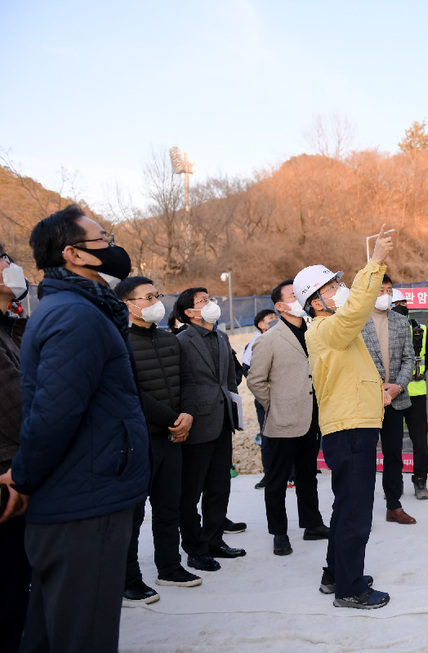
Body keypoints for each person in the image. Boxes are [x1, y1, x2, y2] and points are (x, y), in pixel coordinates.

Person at [2, 205, 150, 652]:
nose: (113, 247)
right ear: (74, 254)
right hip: (84, 502)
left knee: (53, 633)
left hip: (83, 492)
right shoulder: (75, 316)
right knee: (83, 635)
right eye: (102, 238)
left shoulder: (80, 308)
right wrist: (24, 477)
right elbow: (52, 414)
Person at [295, 225, 394, 609]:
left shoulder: (331, 331)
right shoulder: (326, 330)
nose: (339, 291)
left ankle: (336, 572)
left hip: (353, 425)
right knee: (355, 511)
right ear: (317, 303)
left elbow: (352, 373)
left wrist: (377, 392)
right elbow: (355, 312)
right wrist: (375, 264)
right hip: (350, 429)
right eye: (332, 287)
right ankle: (351, 590)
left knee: (344, 506)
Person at [116, 276, 202, 604]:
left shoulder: (170, 340)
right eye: (147, 297)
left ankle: (169, 566)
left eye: (156, 295)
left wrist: (188, 415)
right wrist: (171, 419)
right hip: (140, 439)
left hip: (173, 437)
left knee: (169, 506)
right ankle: (128, 578)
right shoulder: (120, 342)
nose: (155, 301)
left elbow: (188, 380)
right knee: (134, 513)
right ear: (128, 305)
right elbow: (130, 393)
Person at [246, 280, 329, 556]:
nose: (300, 298)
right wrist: (275, 405)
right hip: (281, 422)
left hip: (310, 417)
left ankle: (312, 524)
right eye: (293, 295)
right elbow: (256, 381)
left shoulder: (314, 331)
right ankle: (279, 533)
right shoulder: (268, 339)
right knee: (277, 480)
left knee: (308, 476)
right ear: (280, 306)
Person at [171, 287, 246, 573]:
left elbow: (229, 380)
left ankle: (214, 540)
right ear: (189, 312)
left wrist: (233, 408)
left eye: (210, 299)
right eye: (203, 301)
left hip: (223, 421)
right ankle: (195, 548)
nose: (210, 303)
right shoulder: (180, 341)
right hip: (196, 424)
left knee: (219, 487)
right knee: (191, 491)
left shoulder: (222, 336)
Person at [361, 275, 417, 524]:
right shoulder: (356, 322)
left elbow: (409, 359)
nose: (384, 294)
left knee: (394, 454)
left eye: (388, 290)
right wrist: (375, 388)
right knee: (363, 456)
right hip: (365, 400)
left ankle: (394, 506)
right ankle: (360, 509)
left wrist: (399, 386)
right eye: (379, 290)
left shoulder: (400, 322)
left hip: (394, 399)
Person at [0, 241, 30, 652]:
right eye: (4, 261)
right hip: (9, 482)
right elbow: (21, 413)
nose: (11, 267)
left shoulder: (6, 329)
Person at [391, 289, 428, 500]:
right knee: (393, 442)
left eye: (403, 303)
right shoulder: (383, 329)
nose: (401, 306)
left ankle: (420, 480)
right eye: (396, 303)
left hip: (416, 393)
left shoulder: (421, 330)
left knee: (420, 441)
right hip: (392, 394)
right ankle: (394, 482)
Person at [243, 308, 277, 489]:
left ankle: (293, 473)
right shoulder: (253, 345)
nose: (275, 320)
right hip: (266, 400)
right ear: (262, 325)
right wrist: (267, 397)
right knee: (268, 437)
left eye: (275, 317)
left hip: (289, 398)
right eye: (271, 319)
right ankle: (269, 474)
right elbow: (248, 373)